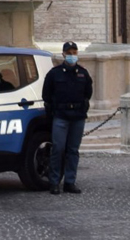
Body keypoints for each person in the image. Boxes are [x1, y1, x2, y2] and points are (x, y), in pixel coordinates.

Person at [42, 41, 93, 195]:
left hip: (77, 117)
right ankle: (54, 182)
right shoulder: (55, 73)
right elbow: (46, 95)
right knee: (58, 149)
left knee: (73, 150)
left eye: (74, 52)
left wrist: (83, 108)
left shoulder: (83, 73)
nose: (72, 55)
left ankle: (70, 182)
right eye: (69, 53)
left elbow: (88, 93)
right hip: (61, 116)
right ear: (63, 54)